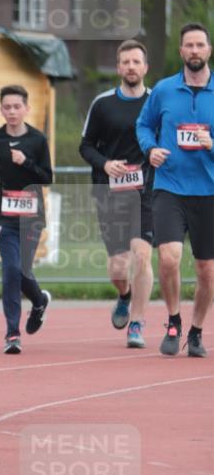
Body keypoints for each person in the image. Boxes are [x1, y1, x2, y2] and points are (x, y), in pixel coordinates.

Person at [137, 22, 214, 357]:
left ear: (209, 50)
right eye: (189, 46)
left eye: (200, 45)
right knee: (168, 258)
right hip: (169, 186)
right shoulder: (164, 91)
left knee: (207, 272)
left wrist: (212, 143)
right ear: (181, 51)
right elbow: (143, 125)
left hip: (208, 191)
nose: (194, 51)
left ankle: (196, 331)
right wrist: (150, 149)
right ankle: (173, 321)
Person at [79, 40, 153, 348]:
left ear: (145, 67)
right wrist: (106, 164)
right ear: (119, 67)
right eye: (126, 62)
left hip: (146, 191)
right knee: (118, 266)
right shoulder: (102, 104)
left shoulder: (156, 101)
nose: (131, 67)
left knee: (143, 256)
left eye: (137, 62)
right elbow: (85, 147)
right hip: (109, 192)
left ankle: (136, 323)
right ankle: (124, 295)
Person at [0, 85, 52, 354]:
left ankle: (38, 301)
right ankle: (12, 333)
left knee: (22, 270)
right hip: (4, 215)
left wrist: (26, 162)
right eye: (7, 107)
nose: (12, 112)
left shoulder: (37, 140)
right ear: (1, 109)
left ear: (26, 109)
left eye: (17, 107)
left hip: (31, 216)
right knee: (10, 270)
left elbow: (46, 177)